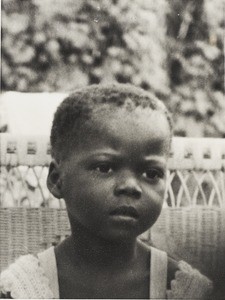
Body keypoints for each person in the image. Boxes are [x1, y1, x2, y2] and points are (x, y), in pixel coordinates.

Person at [0, 83, 212, 299]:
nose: (131, 186)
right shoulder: (23, 288)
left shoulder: (183, 289)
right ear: (57, 180)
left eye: (151, 173)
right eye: (104, 168)